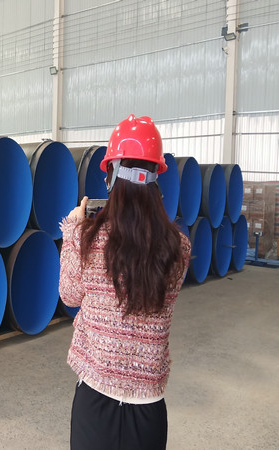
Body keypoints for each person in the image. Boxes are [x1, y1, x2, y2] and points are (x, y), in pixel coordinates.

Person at [59, 114, 191, 450]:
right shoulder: (178, 248)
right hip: (148, 407)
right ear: (156, 178)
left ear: (111, 176)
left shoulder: (90, 239)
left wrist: (73, 230)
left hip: (95, 400)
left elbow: (70, 295)